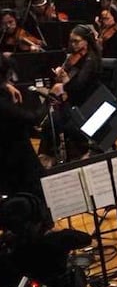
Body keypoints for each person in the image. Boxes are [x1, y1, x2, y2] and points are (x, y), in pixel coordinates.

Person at [39, 24, 102, 163]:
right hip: (73, 101)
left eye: (76, 41)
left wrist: (65, 82)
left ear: (86, 41)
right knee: (51, 122)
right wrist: (61, 75)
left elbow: (79, 86)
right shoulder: (74, 57)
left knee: (57, 122)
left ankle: (73, 156)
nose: (73, 45)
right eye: (71, 41)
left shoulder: (91, 60)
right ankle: (48, 157)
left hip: (87, 103)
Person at [0, 54, 44, 196]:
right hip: (14, 162)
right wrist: (50, 99)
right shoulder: (3, 104)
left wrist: (4, 85)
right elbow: (32, 119)